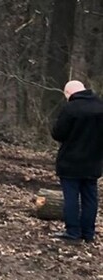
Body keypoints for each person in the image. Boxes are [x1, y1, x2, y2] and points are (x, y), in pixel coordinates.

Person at [51, 80, 103, 243]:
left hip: (70, 162)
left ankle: (72, 232)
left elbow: (58, 134)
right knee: (90, 197)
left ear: (68, 93)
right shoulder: (100, 107)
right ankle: (88, 233)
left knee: (71, 197)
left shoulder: (70, 109)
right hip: (93, 161)